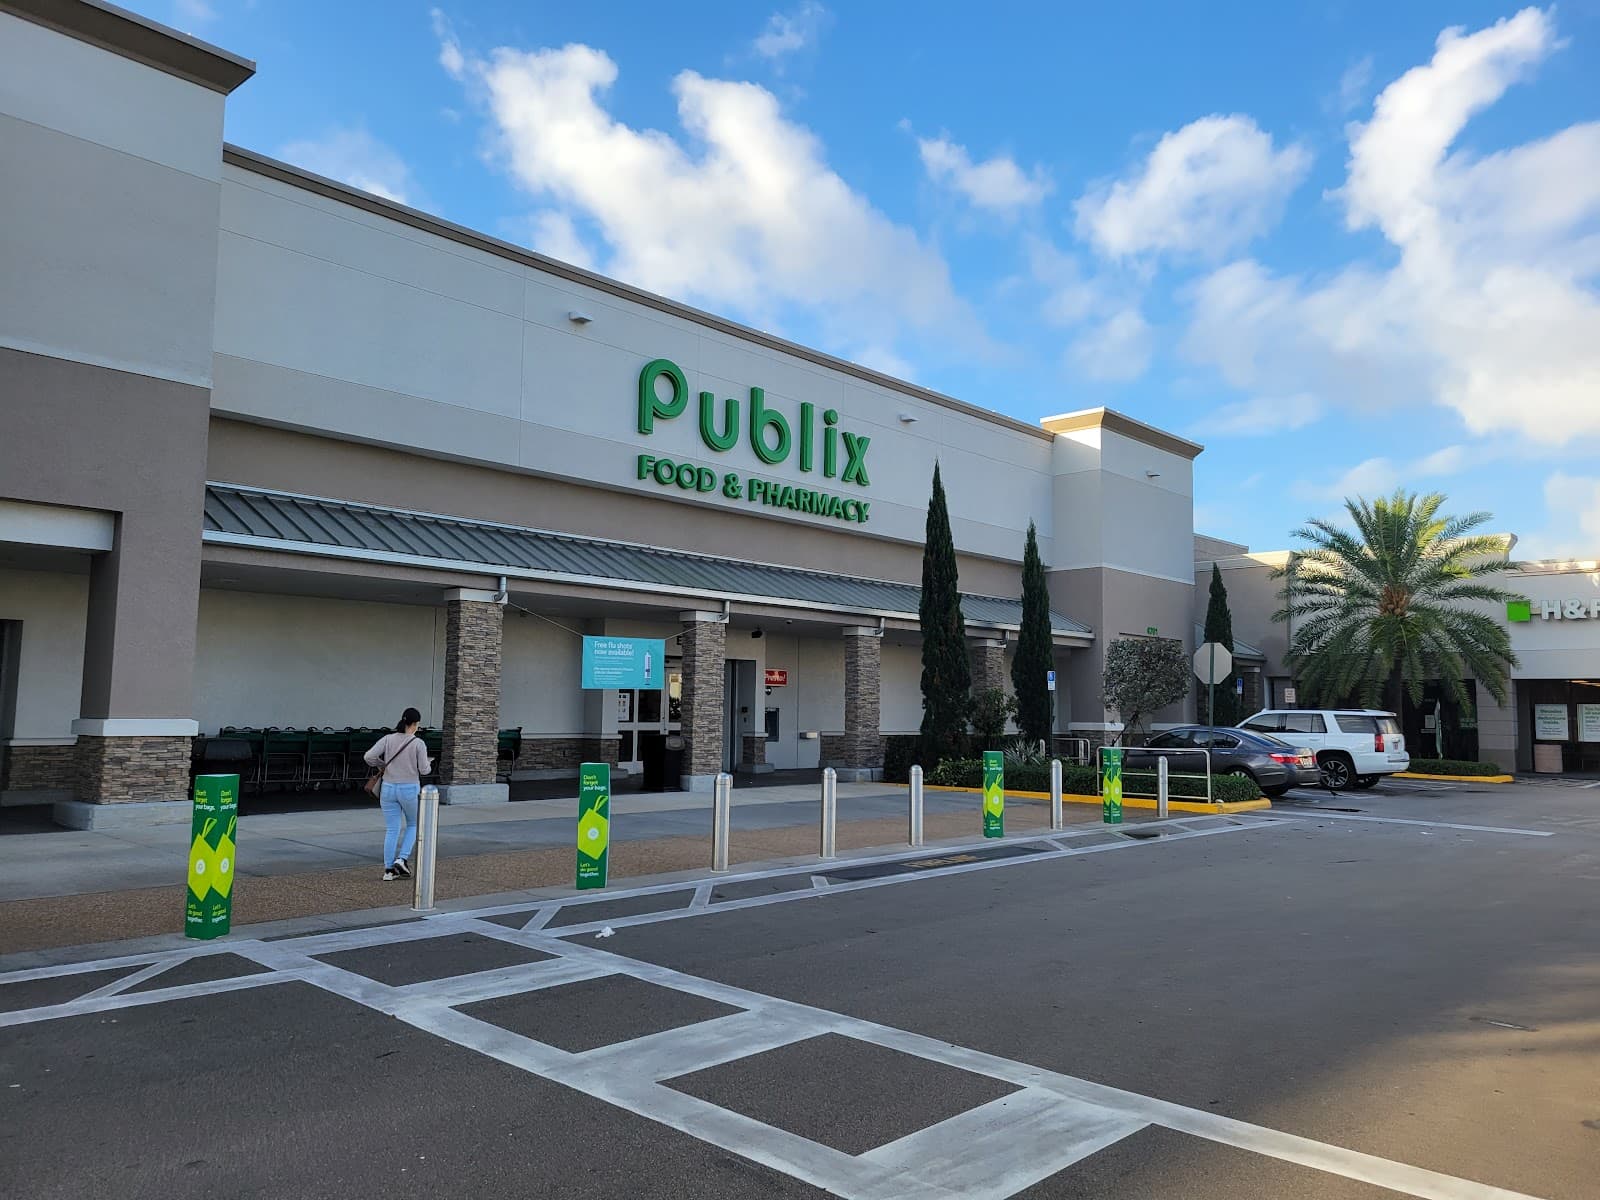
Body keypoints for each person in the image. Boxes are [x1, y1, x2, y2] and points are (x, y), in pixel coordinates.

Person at [364, 708, 432, 881]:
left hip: (388, 787)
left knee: (392, 829)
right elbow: (424, 770)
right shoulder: (418, 743)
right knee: (413, 824)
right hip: (409, 788)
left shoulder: (387, 739)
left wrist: (383, 765)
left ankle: (388, 870)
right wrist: (427, 763)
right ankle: (401, 859)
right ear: (416, 724)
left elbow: (368, 756)